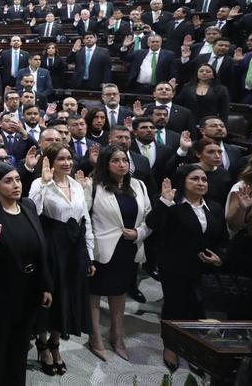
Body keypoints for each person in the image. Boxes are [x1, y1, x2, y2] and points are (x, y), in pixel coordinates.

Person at [0, 162, 52, 386]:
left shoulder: (28, 206)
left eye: (17, 179)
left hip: (27, 293)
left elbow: (40, 249)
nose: (16, 185)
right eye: (8, 181)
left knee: (19, 351)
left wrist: (45, 285)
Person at [148, 165, 228, 372]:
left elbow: (223, 240)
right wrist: (164, 202)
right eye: (195, 179)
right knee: (174, 306)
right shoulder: (172, 204)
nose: (201, 183)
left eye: (204, 179)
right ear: (183, 181)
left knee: (197, 309)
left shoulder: (215, 207)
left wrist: (220, 257)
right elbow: (152, 224)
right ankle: (171, 346)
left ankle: (193, 348)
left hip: (204, 270)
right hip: (175, 266)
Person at [29, 144, 93, 376]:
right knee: (49, 297)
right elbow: (32, 211)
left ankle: (55, 343)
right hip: (50, 247)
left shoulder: (76, 185)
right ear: (50, 162)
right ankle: (43, 345)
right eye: (61, 159)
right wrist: (45, 184)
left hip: (73, 247)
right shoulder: (40, 184)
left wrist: (89, 255)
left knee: (67, 296)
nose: (66, 163)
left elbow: (85, 219)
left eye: (69, 158)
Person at [85, 144, 151, 361]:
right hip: (100, 249)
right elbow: (83, 218)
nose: (122, 164)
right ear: (105, 164)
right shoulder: (93, 185)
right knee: (95, 293)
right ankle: (95, 336)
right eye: (115, 160)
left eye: (125, 160)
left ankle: (117, 335)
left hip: (129, 247)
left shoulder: (139, 185)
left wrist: (139, 233)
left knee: (119, 291)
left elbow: (148, 216)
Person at [224, 146, 252, 318]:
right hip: (248, 254)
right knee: (243, 306)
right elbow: (234, 226)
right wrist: (243, 208)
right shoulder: (243, 187)